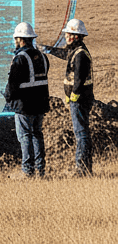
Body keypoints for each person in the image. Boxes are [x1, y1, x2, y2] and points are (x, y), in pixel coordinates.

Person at [44, 18, 93, 175]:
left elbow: (79, 79)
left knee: (81, 133)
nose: (65, 37)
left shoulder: (80, 55)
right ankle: (84, 168)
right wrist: (46, 49)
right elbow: (63, 53)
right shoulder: (76, 51)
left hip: (79, 100)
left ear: (76, 36)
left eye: (68, 34)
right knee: (81, 132)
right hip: (79, 99)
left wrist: (73, 96)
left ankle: (82, 169)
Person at [3, 21, 50, 179]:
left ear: (20, 39)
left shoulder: (20, 58)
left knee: (25, 136)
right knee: (37, 134)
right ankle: (40, 169)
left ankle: (27, 170)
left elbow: (12, 84)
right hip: (40, 103)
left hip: (24, 105)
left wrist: (7, 98)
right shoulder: (42, 57)